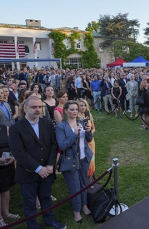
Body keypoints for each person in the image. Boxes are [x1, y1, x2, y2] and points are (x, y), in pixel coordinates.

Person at [8, 96, 66, 229]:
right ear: (25, 108)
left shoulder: (47, 123)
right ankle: (33, 226)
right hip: (28, 173)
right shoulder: (16, 128)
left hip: (47, 171)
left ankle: (50, 221)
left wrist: (50, 165)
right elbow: (19, 153)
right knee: (30, 203)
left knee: (46, 198)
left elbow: (53, 144)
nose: (38, 110)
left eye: (40, 107)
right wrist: (39, 168)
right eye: (34, 107)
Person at [55, 100, 93, 223]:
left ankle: (84, 205)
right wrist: (75, 134)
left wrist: (88, 132)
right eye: (72, 109)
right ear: (65, 111)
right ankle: (76, 211)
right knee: (75, 186)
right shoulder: (61, 126)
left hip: (84, 157)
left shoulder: (81, 122)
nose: (75, 111)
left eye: (76, 109)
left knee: (83, 183)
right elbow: (63, 145)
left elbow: (88, 139)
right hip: (70, 161)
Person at [77, 99, 96, 178]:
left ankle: (90, 178)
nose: (83, 107)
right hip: (80, 141)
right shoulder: (75, 117)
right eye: (81, 105)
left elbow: (93, 128)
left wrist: (89, 133)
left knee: (91, 160)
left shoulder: (88, 115)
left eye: (85, 105)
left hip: (90, 141)